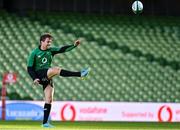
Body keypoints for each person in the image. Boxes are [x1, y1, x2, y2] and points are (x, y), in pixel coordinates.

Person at [27, 33, 89, 128]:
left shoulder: (51, 50)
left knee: (49, 99)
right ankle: (80, 74)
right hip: (40, 74)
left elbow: (62, 49)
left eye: (50, 42)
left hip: (47, 76)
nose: (49, 44)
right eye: (48, 41)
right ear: (42, 42)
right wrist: (35, 78)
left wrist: (74, 45)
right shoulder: (34, 53)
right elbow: (30, 68)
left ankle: (45, 123)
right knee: (56, 69)